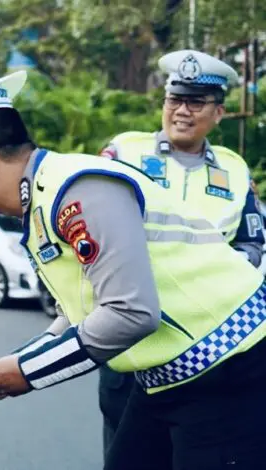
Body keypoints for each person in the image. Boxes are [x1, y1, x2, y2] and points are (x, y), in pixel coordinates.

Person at [0, 70, 266, 469]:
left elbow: (131, 312)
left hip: (231, 367)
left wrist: (25, 372)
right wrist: (9, 365)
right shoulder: (42, 200)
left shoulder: (75, 187)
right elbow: (77, 316)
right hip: (166, 378)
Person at [95, 49, 265, 456]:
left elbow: (251, 245)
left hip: (206, 354)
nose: (182, 111)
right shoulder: (124, 154)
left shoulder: (234, 170)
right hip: (132, 342)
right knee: (127, 452)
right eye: (175, 99)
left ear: (219, 113)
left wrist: (209, 295)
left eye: (195, 102)